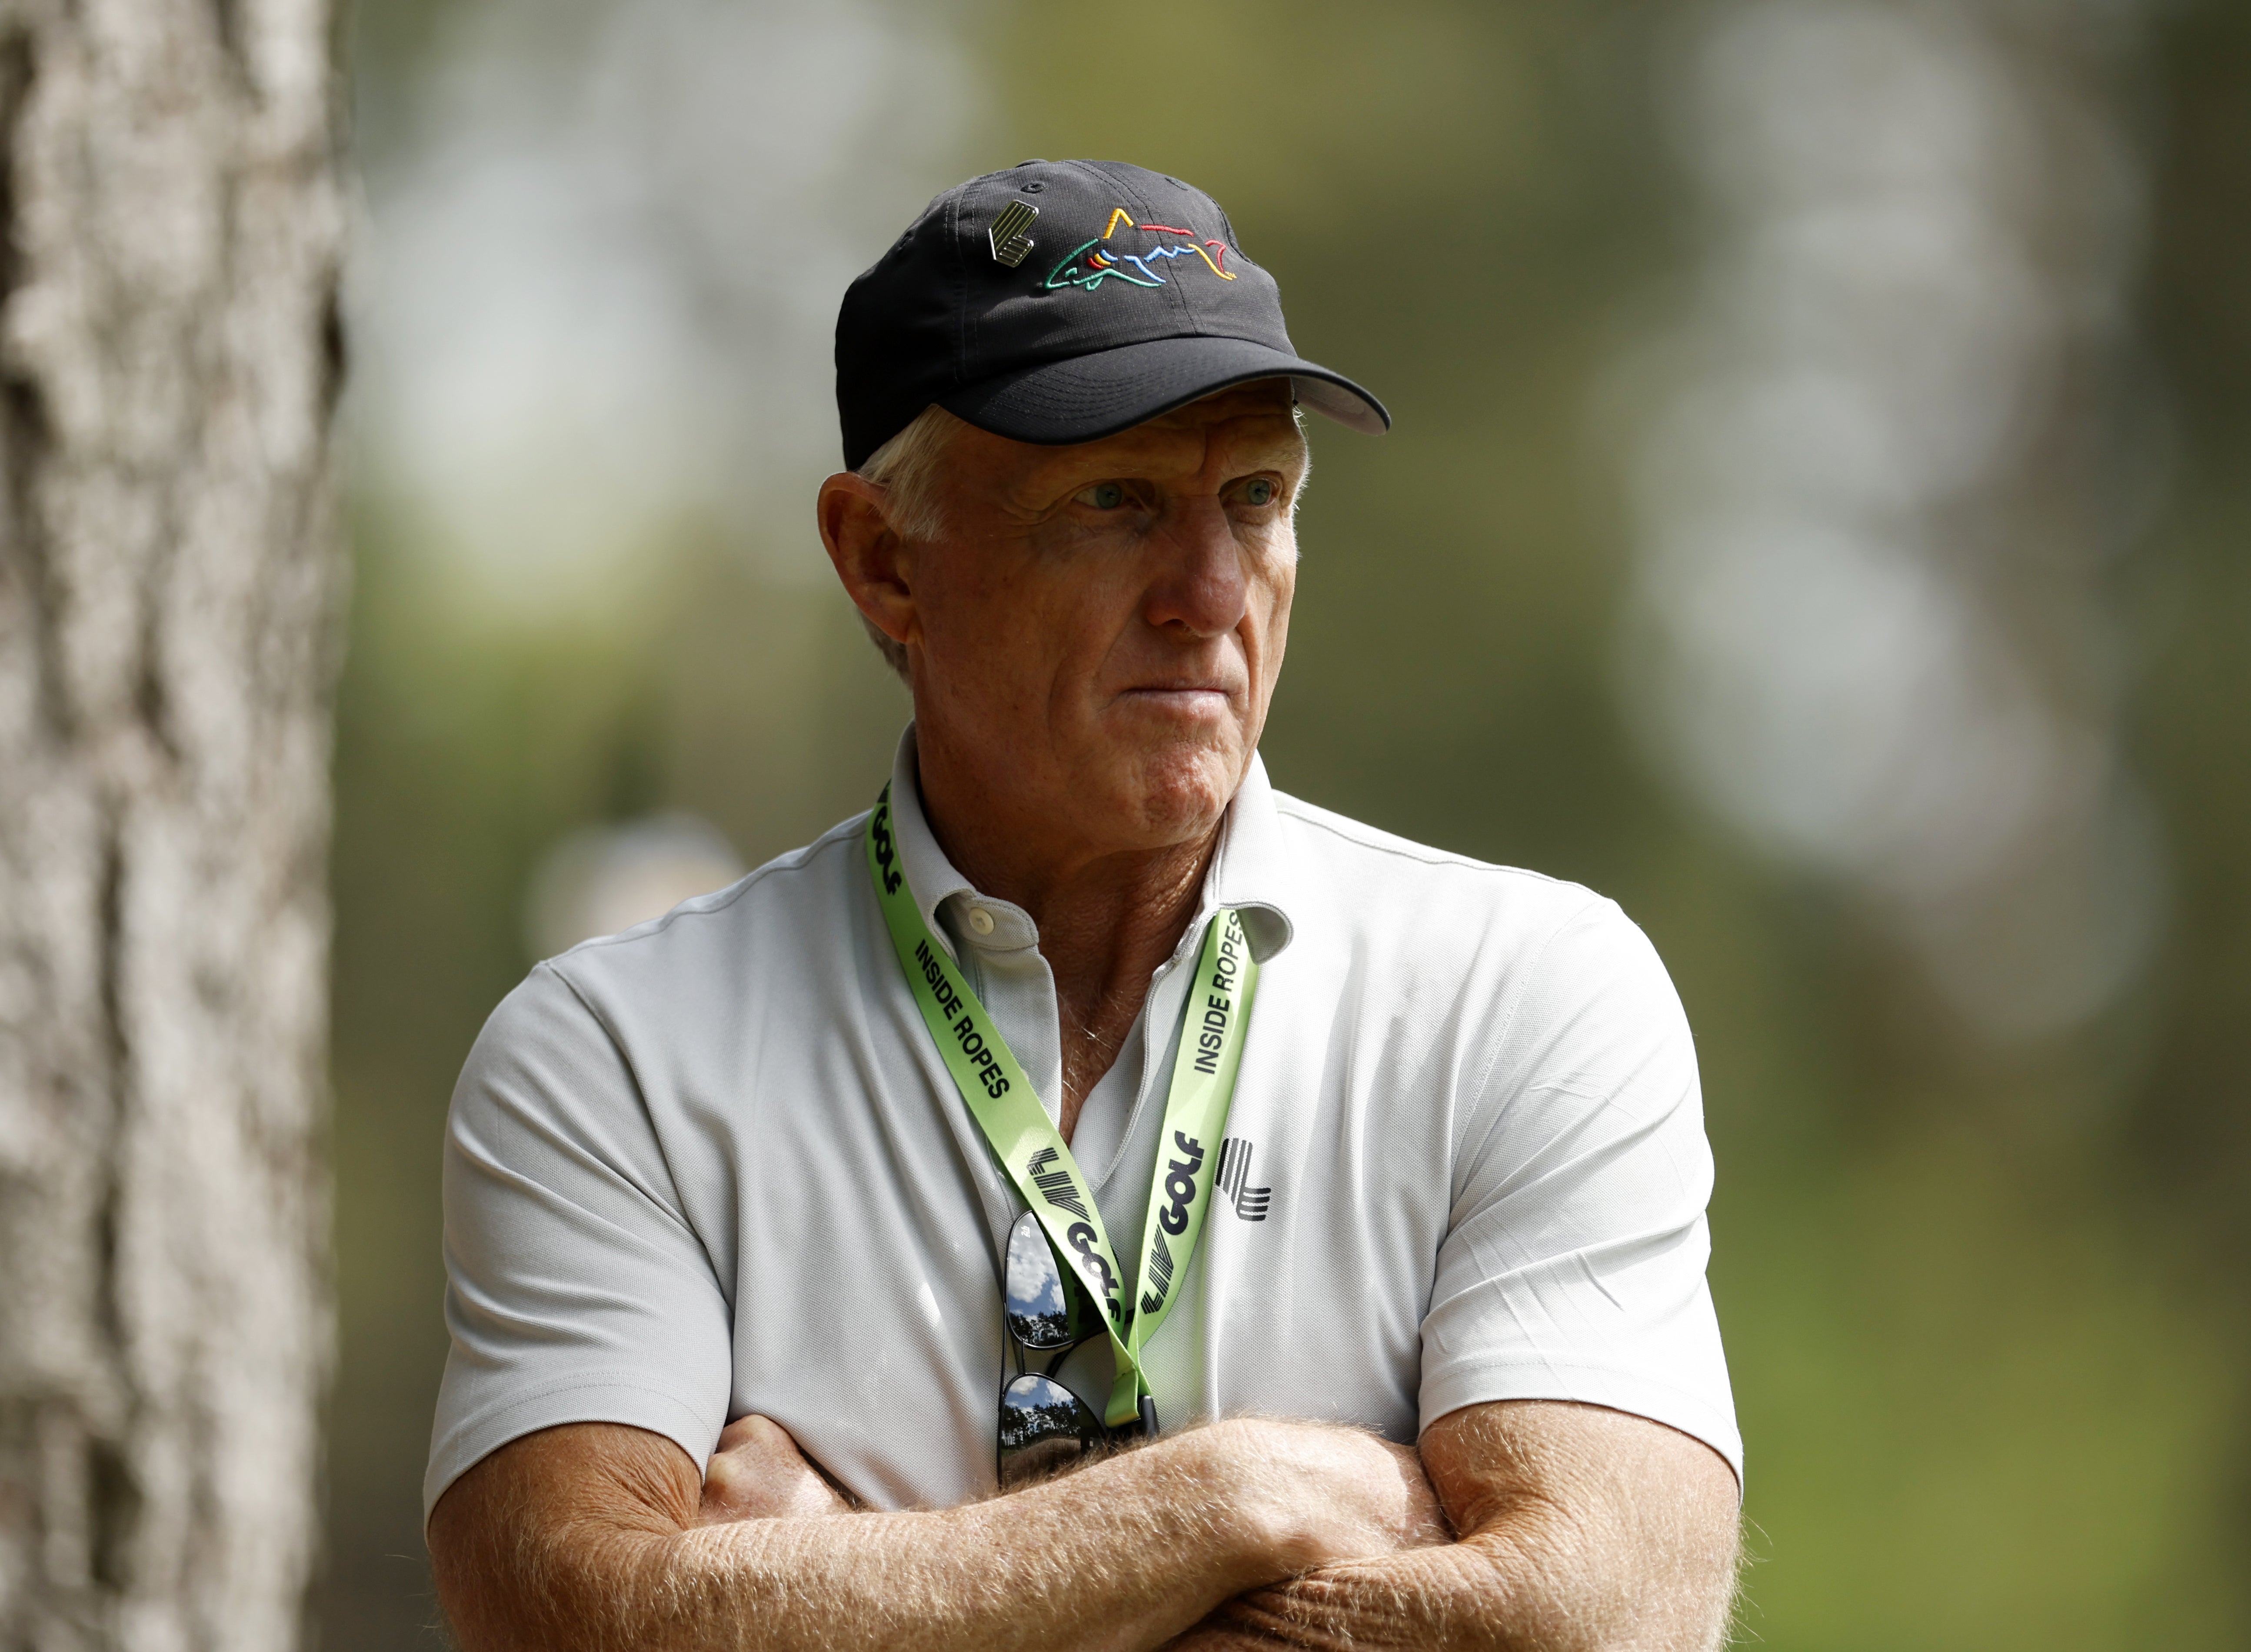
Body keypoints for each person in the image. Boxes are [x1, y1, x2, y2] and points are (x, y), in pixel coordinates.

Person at [425, 159, 1743, 1650]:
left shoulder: (1528, 993)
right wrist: (1243, 1498)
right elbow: (583, 1619)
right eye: (1114, 500)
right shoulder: (611, 1059)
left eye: (1254, 498)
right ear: (881, 562)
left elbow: (1592, 1620)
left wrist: (842, 1591)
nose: (1208, 588)